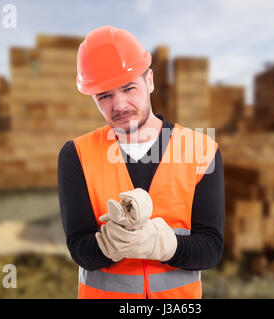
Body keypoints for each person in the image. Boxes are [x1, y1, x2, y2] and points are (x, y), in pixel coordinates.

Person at [57, 25, 225, 299]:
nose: (119, 105)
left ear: (149, 80)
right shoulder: (76, 155)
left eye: (128, 88)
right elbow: (79, 249)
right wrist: (109, 245)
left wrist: (165, 245)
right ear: (93, 98)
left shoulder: (201, 150)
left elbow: (211, 249)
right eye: (105, 96)